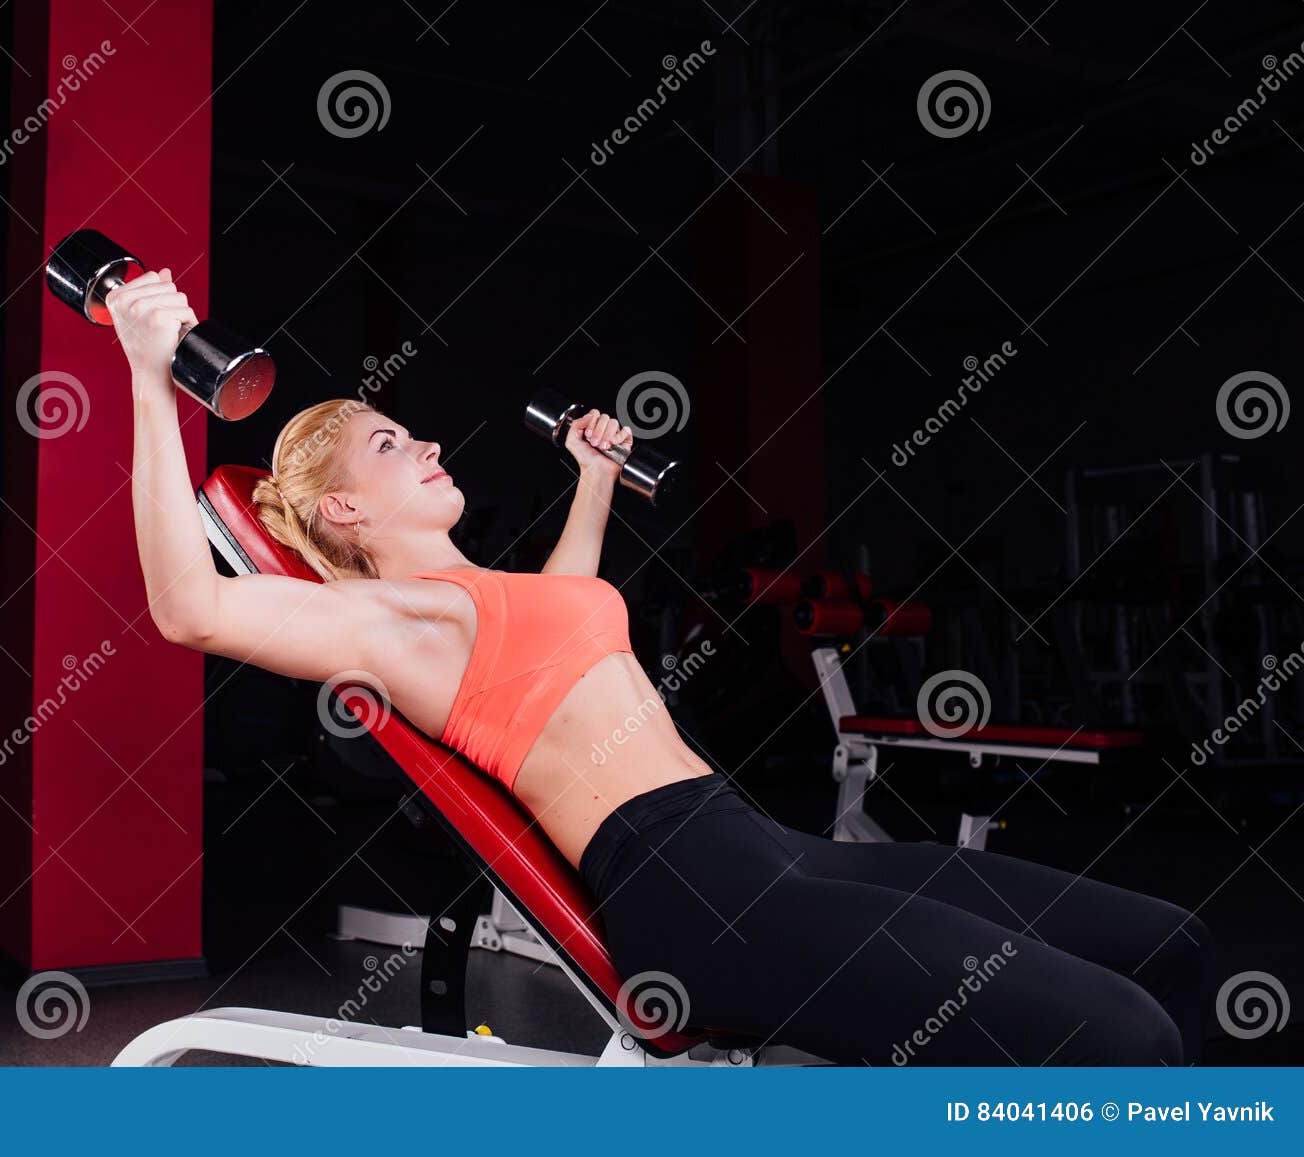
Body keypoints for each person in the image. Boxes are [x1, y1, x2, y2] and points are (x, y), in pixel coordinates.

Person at [109, 269, 1219, 1066]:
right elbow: (188, 606)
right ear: (344, 508)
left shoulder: (475, 598)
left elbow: (563, 602)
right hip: (700, 895)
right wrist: (150, 379)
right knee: (1123, 1037)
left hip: (764, 850)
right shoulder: (382, 617)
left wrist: (592, 476)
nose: (432, 444)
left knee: (1172, 946)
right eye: (393, 444)